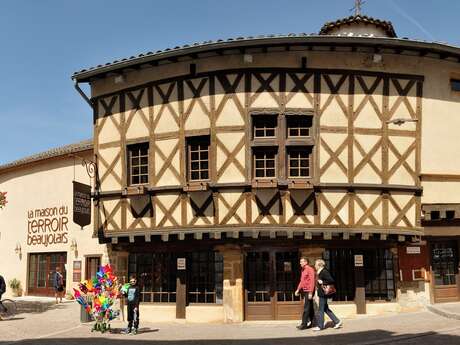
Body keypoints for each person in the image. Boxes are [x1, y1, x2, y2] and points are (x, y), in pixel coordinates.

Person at [312, 259, 342, 331]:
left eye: (315, 264)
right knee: (325, 309)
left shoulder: (324, 271)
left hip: (323, 293)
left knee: (321, 309)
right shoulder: (320, 272)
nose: (315, 266)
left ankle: (320, 326)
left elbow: (331, 280)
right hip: (322, 293)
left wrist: (322, 281)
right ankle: (337, 321)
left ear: (319, 265)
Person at [294, 257, 315, 330]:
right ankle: (313, 323)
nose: (300, 263)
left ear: (306, 262)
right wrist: (298, 289)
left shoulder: (310, 269)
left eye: (301, 262)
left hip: (309, 291)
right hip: (305, 290)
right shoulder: (303, 270)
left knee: (306, 308)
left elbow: (312, 281)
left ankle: (304, 324)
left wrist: (310, 292)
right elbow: (302, 281)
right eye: (300, 262)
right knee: (310, 307)